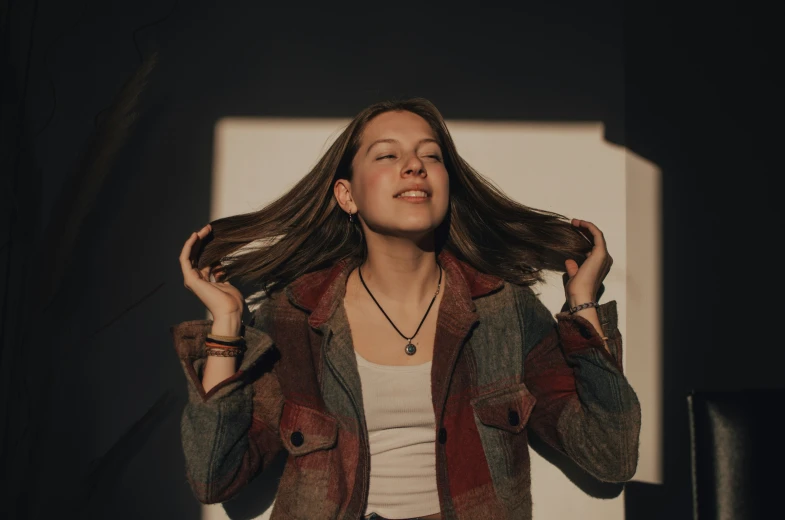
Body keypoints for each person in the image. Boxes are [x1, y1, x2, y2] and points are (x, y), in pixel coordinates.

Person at [172, 98, 641, 520]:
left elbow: (611, 454)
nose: (414, 165)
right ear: (347, 196)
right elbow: (216, 476)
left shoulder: (505, 313)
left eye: (430, 155)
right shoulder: (293, 318)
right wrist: (227, 329)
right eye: (388, 155)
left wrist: (583, 303)